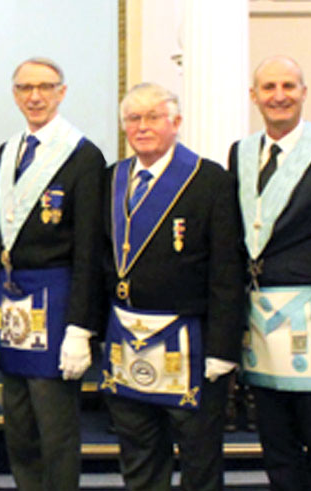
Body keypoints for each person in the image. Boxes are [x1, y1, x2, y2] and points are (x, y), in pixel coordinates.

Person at [97, 82, 242, 491]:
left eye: (153, 117)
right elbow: (100, 260)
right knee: (138, 456)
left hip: (191, 346)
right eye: (133, 118)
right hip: (127, 338)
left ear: (176, 122)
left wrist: (223, 349)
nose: (142, 126)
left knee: (198, 460)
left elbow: (226, 271)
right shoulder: (113, 178)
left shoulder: (208, 179)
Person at [0, 57, 106, 491]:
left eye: (45, 87)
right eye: (25, 88)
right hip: (11, 298)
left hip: (55, 301)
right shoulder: (7, 151)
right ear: (14, 94)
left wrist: (81, 327)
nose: (35, 96)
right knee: (19, 423)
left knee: (55, 427)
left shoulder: (83, 155)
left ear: (62, 92)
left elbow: (89, 248)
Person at [231, 55, 311, 491]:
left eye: (289, 86)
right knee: (275, 442)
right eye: (268, 88)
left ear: (304, 92)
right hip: (258, 318)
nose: (278, 96)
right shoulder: (241, 153)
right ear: (254, 96)